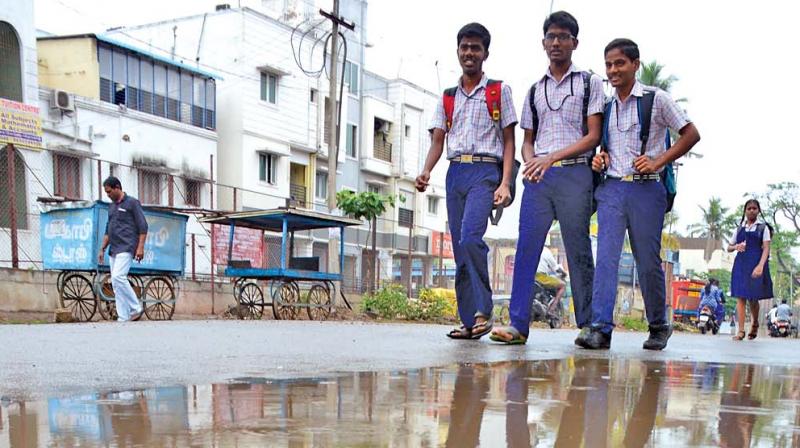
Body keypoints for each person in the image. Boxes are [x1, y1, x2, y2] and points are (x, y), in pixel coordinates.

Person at [490, 11, 603, 345]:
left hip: (575, 175)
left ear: (574, 43)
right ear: (543, 43)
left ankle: (589, 325)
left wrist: (550, 157)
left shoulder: (588, 83)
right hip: (540, 180)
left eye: (563, 37)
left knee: (578, 249)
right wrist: (531, 162)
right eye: (551, 37)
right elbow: (527, 140)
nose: (556, 43)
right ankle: (518, 325)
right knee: (527, 248)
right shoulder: (535, 90)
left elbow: (593, 135)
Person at [585, 38, 701, 350]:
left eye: (620, 63)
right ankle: (600, 329)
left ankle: (659, 325)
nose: (613, 70)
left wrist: (658, 161)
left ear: (636, 64)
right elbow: (604, 147)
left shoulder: (656, 99)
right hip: (611, 188)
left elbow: (691, 133)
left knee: (647, 260)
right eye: (608, 64)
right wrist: (599, 158)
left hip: (647, 189)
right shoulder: (606, 107)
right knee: (606, 258)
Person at [98, 176, 148, 322]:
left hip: (127, 247)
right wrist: (102, 248)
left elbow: (143, 226)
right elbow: (108, 230)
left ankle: (136, 307)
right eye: (106, 193)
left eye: (109, 192)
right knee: (116, 284)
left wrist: (140, 248)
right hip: (113, 248)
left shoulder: (132, 203)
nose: (108, 195)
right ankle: (123, 316)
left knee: (119, 277)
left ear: (117, 187)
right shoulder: (111, 207)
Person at [728, 199, 774, 340]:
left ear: (758, 211)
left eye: (754, 208)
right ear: (745, 211)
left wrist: (760, 266)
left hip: (756, 264)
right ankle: (741, 331)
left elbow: (766, 248)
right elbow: (729, 247)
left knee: (753, 298)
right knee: (740, 296)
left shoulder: (763, 228)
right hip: (741, 265)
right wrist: (736, 247)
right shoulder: (739, 228)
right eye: (749, 208)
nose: (752, 210)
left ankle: (754, 324)